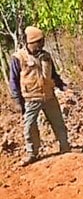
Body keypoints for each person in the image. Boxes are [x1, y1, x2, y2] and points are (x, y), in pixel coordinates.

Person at [9, 26, 71, 166]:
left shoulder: (46, 56)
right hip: (31, 98)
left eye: (42, 42)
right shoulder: (18, 58)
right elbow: (13, 81)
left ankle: (65, 147)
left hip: (49, 96)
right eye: (38, 42)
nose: (41, 45)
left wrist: (62, 86)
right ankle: (32, 153)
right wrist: (17, 101)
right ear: (30, 43)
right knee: (30, 127)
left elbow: (53, 75)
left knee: (58, 123)